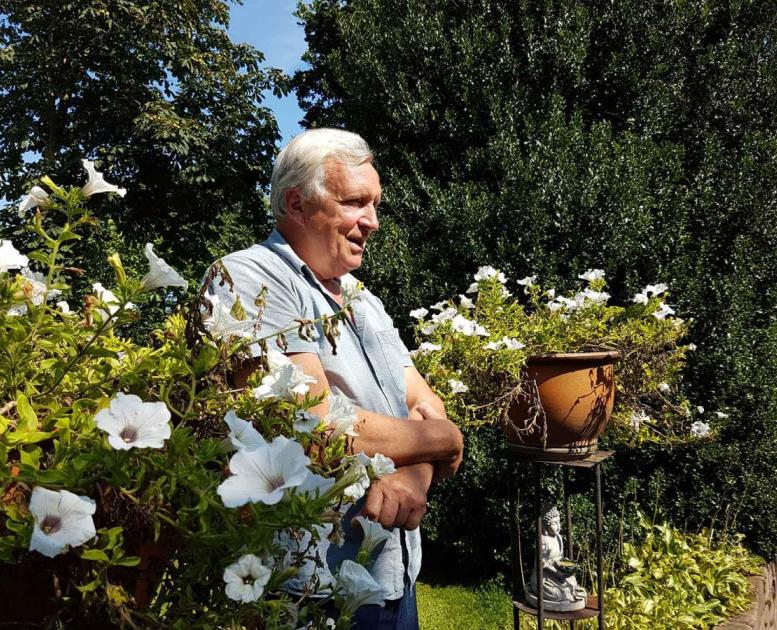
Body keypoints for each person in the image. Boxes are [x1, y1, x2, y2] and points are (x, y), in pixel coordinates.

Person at [203, 128, 464, 629]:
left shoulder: (363, 300)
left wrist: (413, 474)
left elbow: (424, 401)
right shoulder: (248, 279)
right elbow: (317, 423)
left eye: (375, 204)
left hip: (392, 573)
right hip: (310, 585)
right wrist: (446, 440)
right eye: (354, 202)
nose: (373, 221)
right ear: (297, 205)